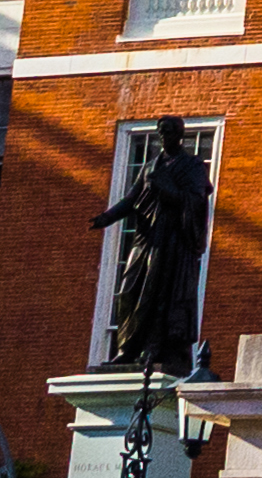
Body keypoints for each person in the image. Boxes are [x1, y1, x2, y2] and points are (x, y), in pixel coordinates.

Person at [92, 132, 215, 375]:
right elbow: (132, 198)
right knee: (129, 290)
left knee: (160, 294)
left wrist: (168, 190)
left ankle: (154, 350)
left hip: (172, 240)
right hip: (146, 237)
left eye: (168, 130)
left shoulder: (193, 166)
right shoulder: (150, 166)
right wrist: (108, 217)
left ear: (179, 136)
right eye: (161, 131)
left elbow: (196, 200)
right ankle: (126, 348)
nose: (163, 136)